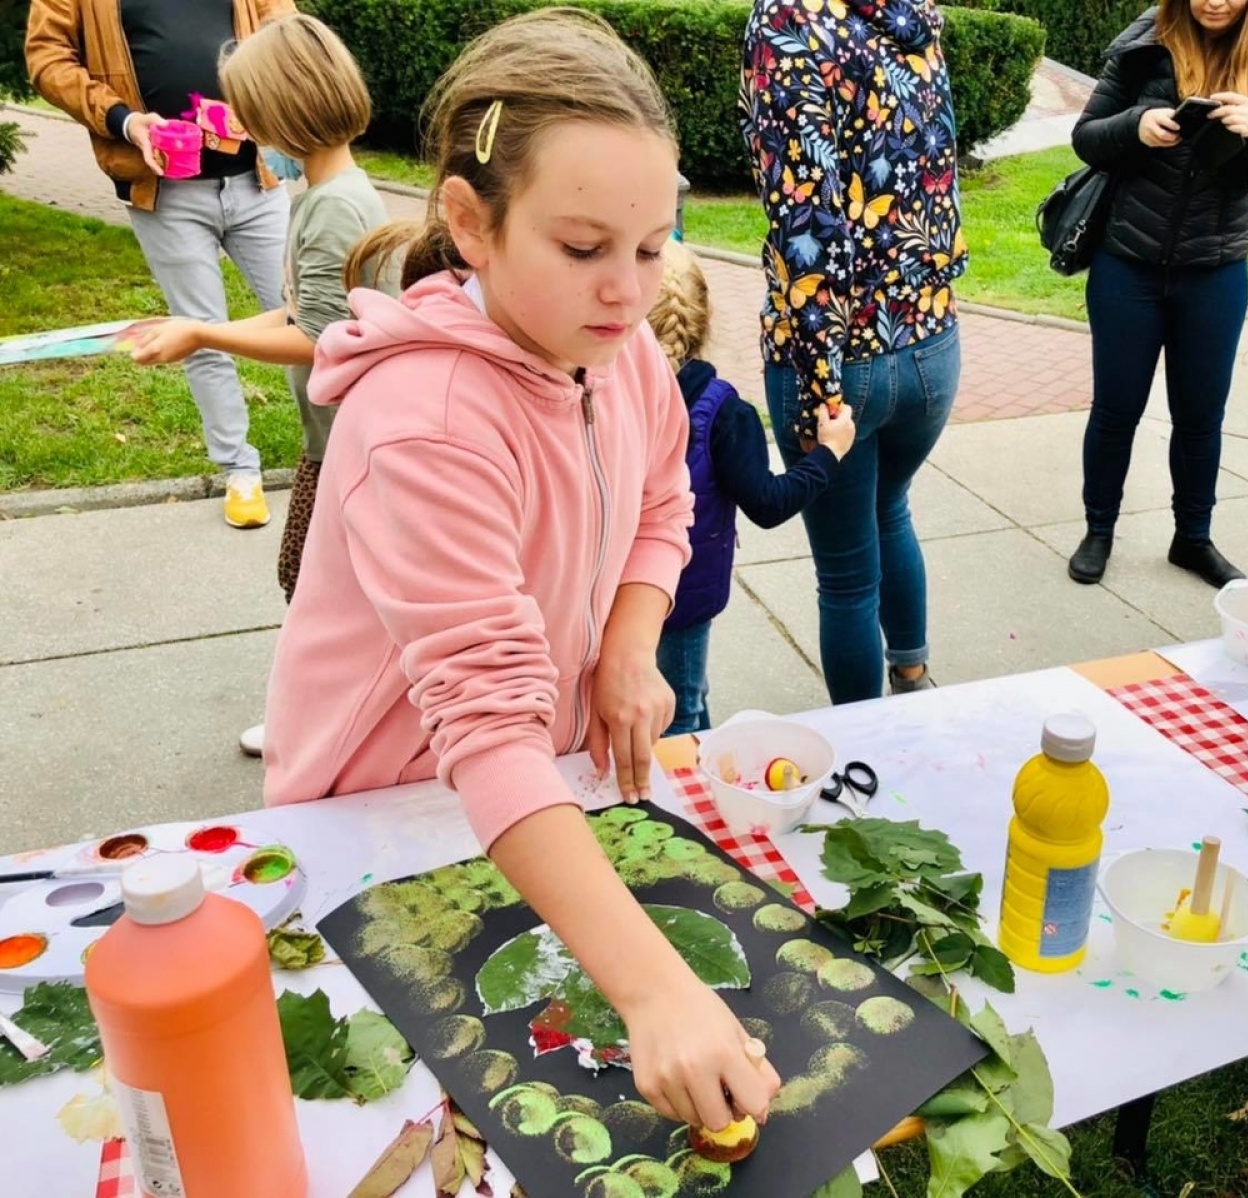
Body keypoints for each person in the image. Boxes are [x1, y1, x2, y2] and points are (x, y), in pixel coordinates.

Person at [261, 10, 781, 1132]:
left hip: (523, 793)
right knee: (418, 1113)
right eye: (585, 249)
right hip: (385, 813)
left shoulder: (625, 350)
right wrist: (655, 990)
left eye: (651, 249)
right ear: (470, 222)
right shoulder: (425, 420)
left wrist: (630, 648)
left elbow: (661, 502)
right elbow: (481, 722)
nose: (629, 292)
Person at [127, 12, 396, 758]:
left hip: (353, 449)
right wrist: (194, 323)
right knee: (316, 583)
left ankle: (331, 718)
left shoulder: (337, 204)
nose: (234, 123)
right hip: (332, 441)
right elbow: (304, 305)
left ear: (285, 113)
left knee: (324, 590)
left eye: (245, 109)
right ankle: (335, 710)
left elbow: (317, 334)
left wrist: (203, 332)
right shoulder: (318, 191)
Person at [740, 0, 965, 705]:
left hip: (842, 352)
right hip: (931, 343)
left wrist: (819, 382)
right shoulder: (912, 16)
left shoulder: (787, 18)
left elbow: (805, 215)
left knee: (843, 571)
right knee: (889, 508)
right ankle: (912, 677)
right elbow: (936, 182)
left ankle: (867, 744)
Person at [1066, 0, 1248, 589]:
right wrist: (1135, 126)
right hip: (1128, 264)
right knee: (1115, 409)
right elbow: (1086, 138)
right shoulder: (1146, 43)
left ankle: (1192, 540)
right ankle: (1099, 529)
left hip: (1216, 269)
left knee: (1201, 416)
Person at [26, 0, 294, 529]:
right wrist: (125, 122)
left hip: (256, 179)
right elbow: (47, 58)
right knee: (201, 330)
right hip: (165, 192)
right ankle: (240, 471)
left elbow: (284, 31)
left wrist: (263, 101)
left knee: (308, 318)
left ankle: (333, 454)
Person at [648, 241, 857, 735]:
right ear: (704, 317)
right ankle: (689, 789)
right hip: (685, 595)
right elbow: (767, 503)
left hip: (612, 591)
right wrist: (830, 453)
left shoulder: (604, 390)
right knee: (680, 709)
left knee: (669, 694)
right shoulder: (725, 414)